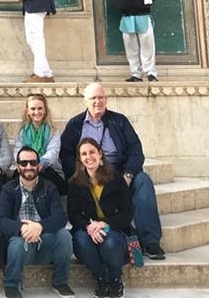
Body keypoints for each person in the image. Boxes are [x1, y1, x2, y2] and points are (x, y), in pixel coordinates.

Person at [59, 82, 165, 261]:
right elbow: (66, 154)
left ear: (106, 99)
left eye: (101, 97)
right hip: (89, 173)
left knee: (144, 181)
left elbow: (135, 149)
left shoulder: (119, 121)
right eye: (93, 98)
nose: (97, 101)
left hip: (120, 172)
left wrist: (129, 174)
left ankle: (150, 241)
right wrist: (82, 175)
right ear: (85, 101)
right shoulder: (75, 124)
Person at [0, 146, 75, 298]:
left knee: (64, 236)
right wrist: (24, 228)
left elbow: (60, 217)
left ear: (39, 166)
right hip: (21, 244)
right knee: (16, 243)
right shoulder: (8, 189)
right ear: (18, 166)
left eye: (33, 163)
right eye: (24, 163)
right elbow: (2, 222)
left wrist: (39, 227)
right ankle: (12, 283)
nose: (28, 167)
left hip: (43, 242)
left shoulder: (49, 188)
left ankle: (60, 282)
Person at [68, 137, 134, 298]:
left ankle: (116, 279)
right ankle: (101, 279)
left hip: (114, 229)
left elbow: (128, 212)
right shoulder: (75, 183)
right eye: (84, 154)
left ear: (100, 154)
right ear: (80, 159)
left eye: (92, 152)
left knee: (109, 242)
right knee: (81, 240)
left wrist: (104, 223)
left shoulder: (116, 178)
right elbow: (73, 215)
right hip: (87, 230)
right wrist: (89, 227)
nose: (88, 157)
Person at [12, 93, 65, 193]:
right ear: (28, 111)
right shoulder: (22, 131)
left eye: (40, 108)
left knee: (43, 178)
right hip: (26, 165)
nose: (36, 112)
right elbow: (17, 150)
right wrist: (26, 163)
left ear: (45, 111)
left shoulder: (53, 131)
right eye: (33, 109)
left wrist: (36, 164)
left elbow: (53, 153)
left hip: (47, 167)